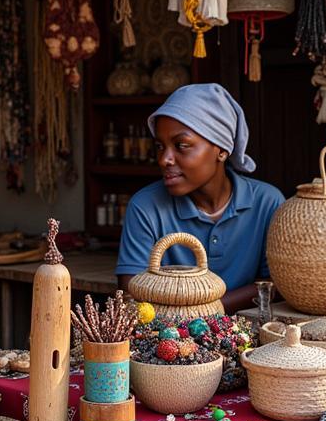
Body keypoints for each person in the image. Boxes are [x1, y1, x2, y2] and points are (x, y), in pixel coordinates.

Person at [116, 82, 284, 314]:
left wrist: (206, 311)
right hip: (168, 340)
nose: (165, 159)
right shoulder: (145, 208)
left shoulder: (267, 203)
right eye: (159, 146)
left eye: (181, 145)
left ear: (222, 150)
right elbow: (132, 297)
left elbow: (274, 286)